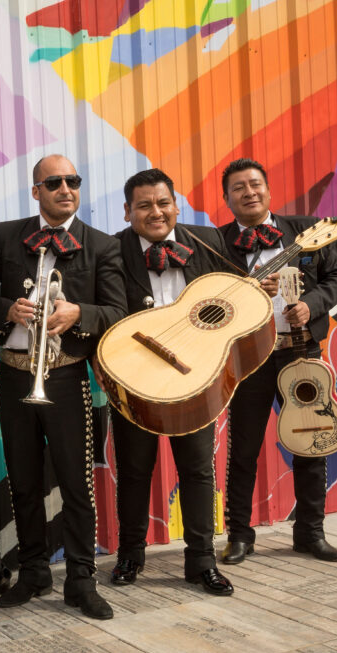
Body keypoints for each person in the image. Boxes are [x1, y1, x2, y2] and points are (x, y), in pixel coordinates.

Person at [0, 154, 126, 620]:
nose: (66, 188)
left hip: (64, 376)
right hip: (15, 373)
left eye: (73, 181)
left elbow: (118, 312)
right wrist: (6, 309)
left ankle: (82, 579)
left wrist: (79, 313)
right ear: (36, 190)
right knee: (23, 480)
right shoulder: (5, 234)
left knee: (77, 484)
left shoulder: (101, 245)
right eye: (54, 182)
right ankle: (34, 571)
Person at [106, 168, 252, 596]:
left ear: (176, 204)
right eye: (145, 205)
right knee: (134, 470)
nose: (156, 212)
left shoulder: (207, 241)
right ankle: (130, 556)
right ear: (128, 211)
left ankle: (201, 561)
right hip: (135, 378)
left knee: (197, 470)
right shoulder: (111, 250)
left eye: (163, 203)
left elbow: (232, 299)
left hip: (195, 379)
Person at [217, 158, 337, 565]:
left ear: (269, 191)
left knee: (312, 440)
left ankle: (310, 532)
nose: (249, 192)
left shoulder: (307, 231)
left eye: (255, 184)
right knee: (244, 449)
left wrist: (310, 306)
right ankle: (239, 535)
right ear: (227, 199)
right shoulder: (216, 242)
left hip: (300, 352)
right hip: (248, 357)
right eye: (238, 188)